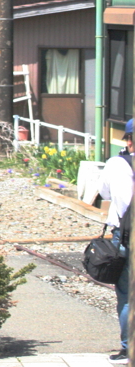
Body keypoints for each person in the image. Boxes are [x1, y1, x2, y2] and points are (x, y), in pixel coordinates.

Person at [100, 118, 134, 362]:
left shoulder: (118, 164)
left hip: (125, 236)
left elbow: (107, 194)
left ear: (128, 139)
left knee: (126, 294)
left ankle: (128, 348)